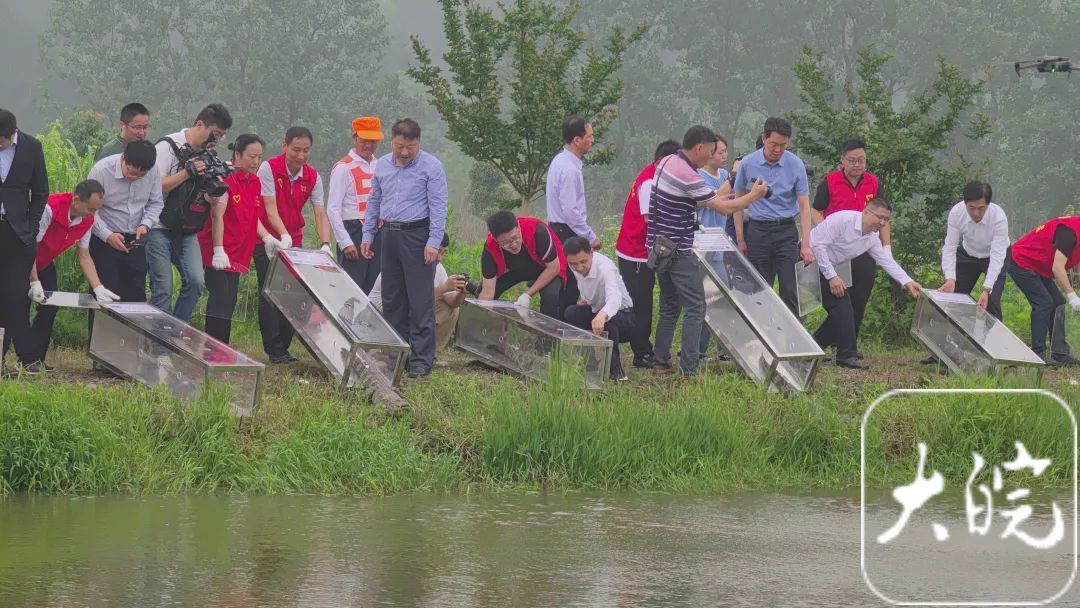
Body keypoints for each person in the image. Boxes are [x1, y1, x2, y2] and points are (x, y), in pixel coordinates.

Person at [648, 125, 769, 375]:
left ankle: (660, 361)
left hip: (659, 247)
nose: (712, 156)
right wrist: (754, 195)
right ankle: (689, 368)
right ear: (699, 148)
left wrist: (724, 197)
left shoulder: (668, 162)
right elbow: (723, 209)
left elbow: (704, 200)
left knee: (670, 305)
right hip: (679, 250)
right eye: (712, 151)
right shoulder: (690, 176)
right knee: (696, 307)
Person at [360, 118, 448, 378]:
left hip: (417, 236)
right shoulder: (383, 165)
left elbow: (439, 206)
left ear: (418, 143)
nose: (405, 152)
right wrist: (368, 234)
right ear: (392, 141)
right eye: (400, 146)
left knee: (420, 300)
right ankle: (397, 354)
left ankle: (421, 360)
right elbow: (374, 200)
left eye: (410, 146)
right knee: (392, 297)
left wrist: (434, 242)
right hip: (389, 234)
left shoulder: (431, 167)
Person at [809, 199, 921, 369]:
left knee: (843, 309)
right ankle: (845, 355)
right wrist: (832, 277)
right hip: (808, 262)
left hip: (829, 268)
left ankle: (815, 348)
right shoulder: (842, 220)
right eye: (880, 217)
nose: (882, 223)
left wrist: (907, 281)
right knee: (842, 307)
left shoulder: (871, 237)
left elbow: (885, 260)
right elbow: (818, 245)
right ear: (866, 212)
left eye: (886, 220)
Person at [23, 180, 119, 371]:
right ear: (76, 200)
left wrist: (98, 287)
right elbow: (29, 246)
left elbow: (84, 255)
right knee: (16, 309)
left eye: (96, 210)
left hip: (44, 262)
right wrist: (34, 281)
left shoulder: (88, 220)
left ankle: (32, 361)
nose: (93, 215)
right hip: (20, 259)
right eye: (90, 209)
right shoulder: (49, 209)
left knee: (50, 307)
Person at [254, 126, 330, 363]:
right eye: (296, 149)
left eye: (306, 151)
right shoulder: (269, 168)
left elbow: (319, 213)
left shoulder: (313, 176)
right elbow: (270, 208)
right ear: (284, 145)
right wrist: (281, 235)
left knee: (298, 294)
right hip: (267, 239)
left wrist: (326, 243)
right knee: (270, 292)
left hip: (293, 241)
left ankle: (284, 346)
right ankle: (274, 349)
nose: (301, 155)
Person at [151, 103, 232, 321]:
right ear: (199, 124)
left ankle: (173, 333)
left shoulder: (208, 154)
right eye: (215, 133)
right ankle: (156, 343)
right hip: (158, 225)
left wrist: (213, 194)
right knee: (163, 288)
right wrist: (187, 173)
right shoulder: (167, 147)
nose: (216, 140)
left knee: (197, 282)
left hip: (187, 228)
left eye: (221, 136)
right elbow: (156, 186)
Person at [733, 117, 814, 315]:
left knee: (789, 288)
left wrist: (805, 243)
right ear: (764, 138)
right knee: (760, 289)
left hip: (786, 231)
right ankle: (761, 340)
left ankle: (794, 343)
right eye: (773, 145)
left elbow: (804, 206)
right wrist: (740, 238)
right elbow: (737, 201)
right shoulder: (748, 163)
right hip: (758, 231)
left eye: (783, 145)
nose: (777, 150)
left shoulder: (795, 165)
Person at [811, 139, 885, 352]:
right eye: (852, 160)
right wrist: (826, 229)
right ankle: (836, 345)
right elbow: (816, 209)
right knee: (842, 300)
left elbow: (884, 217)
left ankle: (843, 343)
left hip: (864, 248)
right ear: (842, 160)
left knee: (859, 299)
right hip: (837, 250)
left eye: (861, 160)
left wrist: (886, 246)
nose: (857, 165)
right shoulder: (830, 181)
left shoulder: (874, 183)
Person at [614, 139, 679, 368]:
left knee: (643, 302)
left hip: (641, 250)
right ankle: (641, 353)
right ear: (662, 162)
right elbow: (650, 221)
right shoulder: (650, 182)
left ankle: (642, 348)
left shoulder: (655, 175)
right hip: (635, 252)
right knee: (641, 304)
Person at [197, 134, 265, 345]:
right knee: (220, 299)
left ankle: (221, 347)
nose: (255, 162)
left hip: (239, 251)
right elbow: (217, 215)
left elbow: (254, 217)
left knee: (231, 301)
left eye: (259, 157)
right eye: (251, 156)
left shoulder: (254, 181)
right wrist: (219, 249)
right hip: (218, 249)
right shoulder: (224, 177)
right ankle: (213, 347)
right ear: (237, 154)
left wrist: (268, 237)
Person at [0, 109, 49, 369]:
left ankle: (27, 357)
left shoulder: (31, 147)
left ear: (12, 135)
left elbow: (41, 191)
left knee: (17, 294)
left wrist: (31, 226)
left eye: (1, 140)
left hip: (18, 232)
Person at [86, 140, 162, 302]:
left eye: (141, 176)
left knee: (135, 294)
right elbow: (89, 210)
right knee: (105, 294)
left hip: (135, 240)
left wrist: (145, 224)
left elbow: (155, 203)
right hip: (104, 239)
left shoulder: (153, 171)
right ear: (123, 159)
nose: (135, 178)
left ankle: (128, 328)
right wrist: (107, 235)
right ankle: (101, 328)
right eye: (132, 173)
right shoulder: (101, 171)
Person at [368, 234, 467, 357]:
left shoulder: (439, 268)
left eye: (443, 253)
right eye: (438, 252)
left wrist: (460, 294)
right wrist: (445, 287)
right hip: (379, 312)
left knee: (451, 309)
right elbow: (410, 300)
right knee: (409, 307)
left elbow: (450, 301)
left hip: (408, 310)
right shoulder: (402, 263)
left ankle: (430, 353)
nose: (440, 258)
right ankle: (387, 351)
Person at [1007, 215, 1080, 366]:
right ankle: (1038, 353)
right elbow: (1057, 268)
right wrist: (1072, 295)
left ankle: (1060, 352)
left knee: (1058, 302)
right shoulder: (1070, 233)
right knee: (1044, 303)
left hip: (1038, 264)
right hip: (1021, 260)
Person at [562, 236, 635, 382]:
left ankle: (617, 373)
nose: (579, 268)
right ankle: (590, 362)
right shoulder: (576, 267)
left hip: (624, 316)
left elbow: (615, 297)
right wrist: (588, 301)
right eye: (573, 264)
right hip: (597, 311)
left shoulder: (605, 268)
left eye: (583, 262)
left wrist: (602, 314)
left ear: (591, 252)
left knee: (609, 320)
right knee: (571, 313)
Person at [545, 115, 599, 310]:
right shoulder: (568, 169)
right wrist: (590, 237)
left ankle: (554, 331)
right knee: (569, 287)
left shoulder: (560, 161)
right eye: (589, 136)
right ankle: (558, 330)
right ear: (577, 140)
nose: (592, 139)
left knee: (565, 286)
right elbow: (571, 211)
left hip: (559, 230)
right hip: (566, 231)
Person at [328, 116, 383, 293]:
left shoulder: (381, 165)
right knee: (351, 290)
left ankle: (373, 321)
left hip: (378, 230)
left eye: (373, 141)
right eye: (364, 140)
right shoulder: (343, 167)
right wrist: (345, 242)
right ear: (355, 138)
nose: (368, 145)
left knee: (376, 288)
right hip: (353, 230)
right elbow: (333, 209)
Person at [938, 181, 1009, 316]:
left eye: (981, 208)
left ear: (988, 205)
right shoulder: (956, 213)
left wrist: (986, 289)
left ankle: (992, 337)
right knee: (955, 295)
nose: (976, 213)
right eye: (971, 208)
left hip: (993, 256)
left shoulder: (999, 217)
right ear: (965, 203)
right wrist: (950, 278)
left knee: (992, 301)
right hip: (968, 253)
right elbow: (950, 247)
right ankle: (955, 335)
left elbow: (997, 256)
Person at [480, 210, 567, 317]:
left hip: (547, 267)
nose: (513, 245)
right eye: (505, 243)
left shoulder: (537, 231)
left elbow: (554, 268)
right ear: (496, 239)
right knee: (480, 293)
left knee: (550, 296)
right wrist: (485, 312)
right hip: (516, 270)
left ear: (518, 227)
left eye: (515, 237)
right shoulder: (490, 248)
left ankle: (547, 332)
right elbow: (487, 293)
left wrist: (527, 295)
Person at [696, 134, 732, 362]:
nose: (724, 156)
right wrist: (732, 181)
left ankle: (725, 349)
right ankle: (697, 350)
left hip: (720, 242)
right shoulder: (697, 176)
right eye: (719, 152)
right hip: (701, 243)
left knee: (722, 297)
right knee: (701, 299)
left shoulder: (726, 176)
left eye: (725, 152)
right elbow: (710, 199)